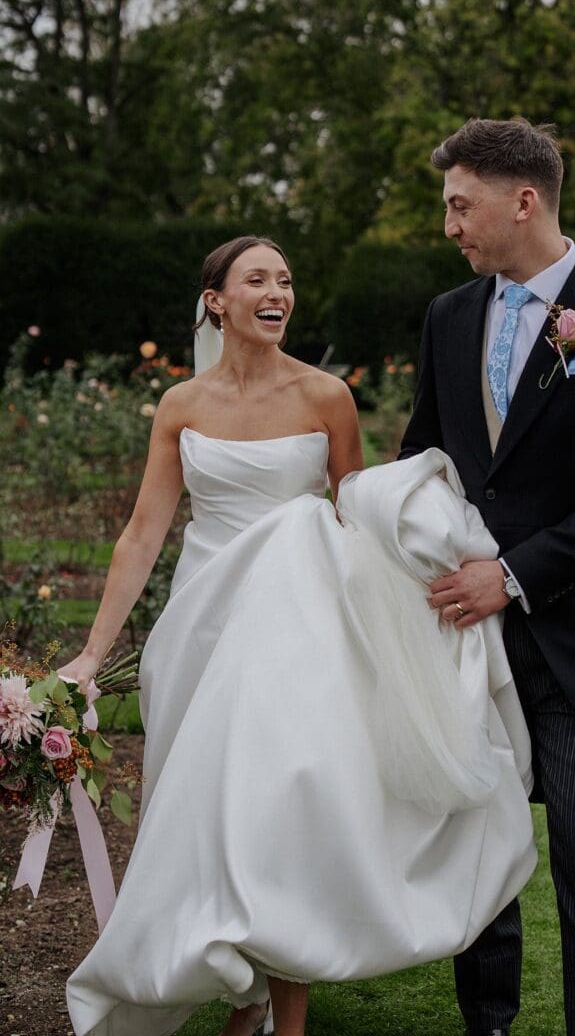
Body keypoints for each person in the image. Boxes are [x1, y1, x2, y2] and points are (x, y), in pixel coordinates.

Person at [62, 235, 536, 1036]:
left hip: (298, 630)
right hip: (203, 624)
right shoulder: (181, 406)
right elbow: (143, 533)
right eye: (257, 279)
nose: (277, 290)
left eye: (285, 279)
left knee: (279, 808)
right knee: (210, 811)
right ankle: (243, 989)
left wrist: (422, 571)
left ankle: (288, 1020)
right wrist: (91, 653)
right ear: (216, 300)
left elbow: (359, 514)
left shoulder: (328, 397)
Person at [400, 117, 575, 1036]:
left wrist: (515, 573)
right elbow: (425, 455)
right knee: (481, 864)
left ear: (522, 199)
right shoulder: (448, 316)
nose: (451, 226)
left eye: (461, 206)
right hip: (467, 643)